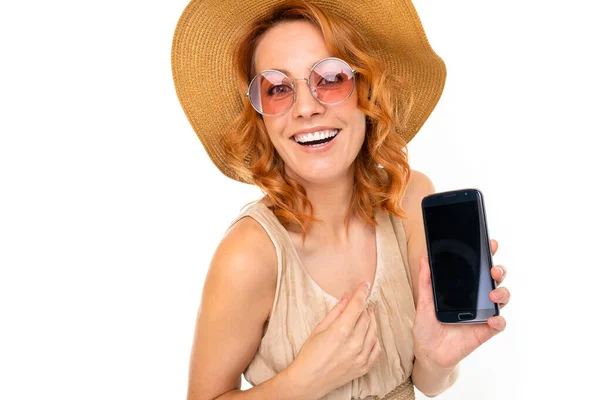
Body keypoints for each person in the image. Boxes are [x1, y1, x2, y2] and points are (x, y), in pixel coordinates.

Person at [171, 1, 511, 399]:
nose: (306, 108)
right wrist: (302, 383)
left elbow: (427, 382)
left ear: (365, 91)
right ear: (261, 118)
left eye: (330, 78)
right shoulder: (249, 255)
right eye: (278, 88)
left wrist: (439, 356)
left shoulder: (410, 200)